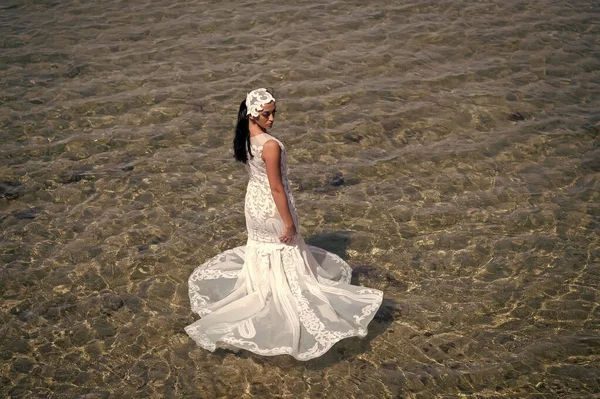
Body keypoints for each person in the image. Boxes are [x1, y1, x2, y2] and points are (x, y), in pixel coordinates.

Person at [185, 88, 383, 360]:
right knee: (285, 244)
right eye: (266, 114)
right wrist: (288, 222)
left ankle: (263, 287)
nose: (272, 118)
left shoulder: (245, 139)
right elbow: (277, 189)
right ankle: (283, 295)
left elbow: (261, 179)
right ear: (253, 114)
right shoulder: (270, 145)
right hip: (271, 205)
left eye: (273, 113)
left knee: (262, 247)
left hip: (253, 204)